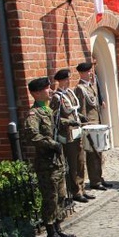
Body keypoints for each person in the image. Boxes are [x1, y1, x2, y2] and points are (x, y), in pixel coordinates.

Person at [24, 77, 76, 237]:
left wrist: (70, 121)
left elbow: (55, 121)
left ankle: (59, 228)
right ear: (37, 92)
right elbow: (33, 135)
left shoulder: (47, 110)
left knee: (61, 196)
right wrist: (52, 144)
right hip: (46, 163)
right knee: (50, 198)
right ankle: (51, 233)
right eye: (46, 89)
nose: (50, 90)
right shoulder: (33, 114)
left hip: (57, 162)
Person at [51, 69, 92, 204]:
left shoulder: (69, 93)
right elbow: (56, 118)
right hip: (67, 135)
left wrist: (80, 116)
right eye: (66, 79)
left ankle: (82, 187)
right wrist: (69, 121)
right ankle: (75, 191)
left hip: (77, 132)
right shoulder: (57, 98)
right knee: (73, 164)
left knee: (81, 162)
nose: (69, 81)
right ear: (61, 81)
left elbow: (74, 111)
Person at [74, 62, 108, 192]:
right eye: (88, 71)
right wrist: (84, 126)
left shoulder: (91, 86)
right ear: (82, 73)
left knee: (98, 153)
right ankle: (95, 180)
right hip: (89, 126)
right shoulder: (80, 88)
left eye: (91, 71)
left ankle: (99, 177)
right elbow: (82, 111)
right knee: (92, 154)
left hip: (97, 124)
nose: (91, 73)